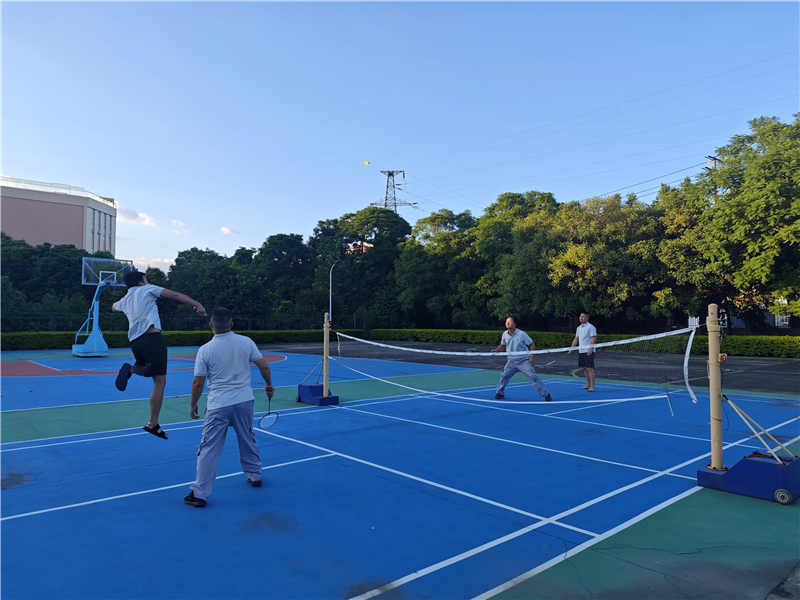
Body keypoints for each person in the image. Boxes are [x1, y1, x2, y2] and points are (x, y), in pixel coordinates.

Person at [184, 307, 275, 508]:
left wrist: (193, 404)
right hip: (244, 401)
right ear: (231, 324)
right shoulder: (246, 342)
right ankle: (255, 475)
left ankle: (200, 493)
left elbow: (198, 383)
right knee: (247, 438)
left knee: (209, 447)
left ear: (211, 325)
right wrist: (269, 385)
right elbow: (264, 366)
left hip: (218, 404)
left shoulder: (205, 349)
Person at [112, 270, 207, 440]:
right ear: (141, 282)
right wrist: (197, 304)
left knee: (145, 369)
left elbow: (113, 307)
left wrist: (116, 305)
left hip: (135, 342)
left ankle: (132, 369)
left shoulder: (124, 299)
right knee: (160, 381)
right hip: (152, 339)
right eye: (146, 279)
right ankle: (153, 423)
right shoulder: (147, 289)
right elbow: (175, 295)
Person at [491, 317, 553, 402]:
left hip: (523, 360)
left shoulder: (521, 334)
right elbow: (503, 345)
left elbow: (532, 344)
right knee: (504, 376)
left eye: (510, 322)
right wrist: (496, 350)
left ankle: (545, 394)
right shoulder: (505, 334)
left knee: (533, 377)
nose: (507, 323)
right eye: (506, 322)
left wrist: (532, 357)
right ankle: (500, 393)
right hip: (511, 361)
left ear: (515, 324)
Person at [570, 312, 598, 392]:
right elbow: (576, 339)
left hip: (588, 351)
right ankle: (587, 384)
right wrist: (571, 348)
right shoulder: (578, 328)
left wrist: (590, 349)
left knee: (589, 368)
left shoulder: (590, 327)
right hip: (581, 351)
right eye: (580, 316)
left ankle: (592, 386)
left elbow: (594, 338)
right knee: (584, 368)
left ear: (587, 318)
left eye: (583, 316)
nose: (581, 318)